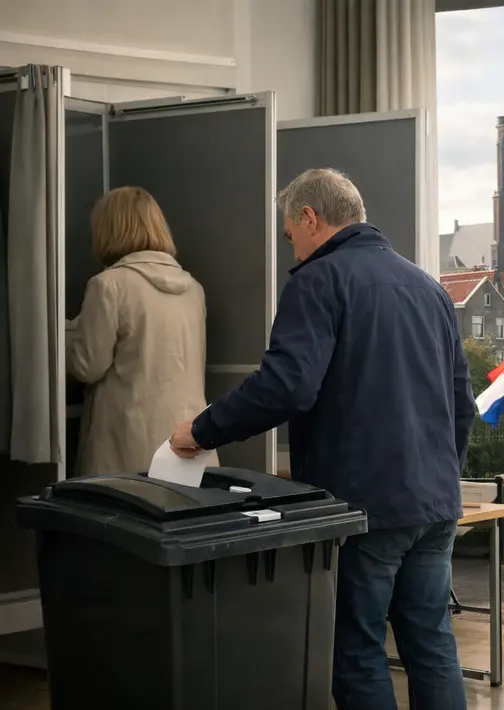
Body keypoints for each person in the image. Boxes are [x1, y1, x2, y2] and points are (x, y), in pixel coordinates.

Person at [167, 169, 475, 710]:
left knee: (355, 651)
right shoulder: (429, 288)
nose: (294, 247)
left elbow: (286, 386)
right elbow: (461, 405)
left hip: (366, 507)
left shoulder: (318, 281)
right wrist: (442, 477)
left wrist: (201, 429)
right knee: (431, 645)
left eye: (291, 234)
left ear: (310, 218)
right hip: (435, 504)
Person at [67, 186, 216, 477]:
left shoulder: (108, 286)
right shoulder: (192, 288)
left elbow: (87, 365)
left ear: (109, 229)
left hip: (126, 450)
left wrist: (58, 333)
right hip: (188, 443)